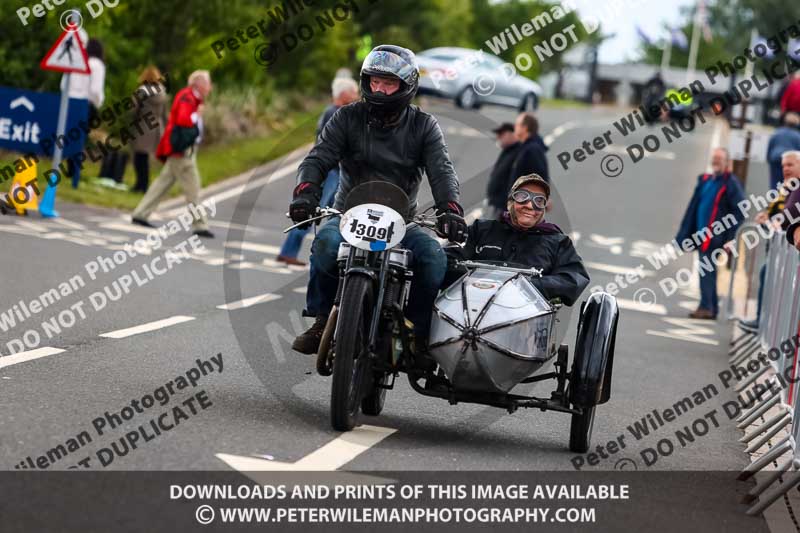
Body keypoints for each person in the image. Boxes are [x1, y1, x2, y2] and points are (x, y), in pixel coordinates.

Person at [288, 44, 466, 355]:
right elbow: (318, 158)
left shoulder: (424, 126)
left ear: (407, 85)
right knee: (325, 245)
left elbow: (442, 170)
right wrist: (306, 191)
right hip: (347, 214)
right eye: (375, 81)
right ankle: (320, 320)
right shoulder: (347, 117)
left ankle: (414, 331)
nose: (380, 90)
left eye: (389, 83)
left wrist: (450, 209)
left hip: (403, 221)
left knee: (433, 259)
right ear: (366, 81)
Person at [445, 174, 589, 305]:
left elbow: (574, 279)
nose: (529, 205)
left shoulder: (557, 242)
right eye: (522, 196)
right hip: (473, 305)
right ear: (510, 203)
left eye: (539, 200)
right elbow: (450, 260)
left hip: (525, 318)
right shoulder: (481, 229)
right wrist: (476, 282)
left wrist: (528, 286)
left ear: (543, 209)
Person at [276, 76, 360, 265]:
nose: (357, 95)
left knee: (335, 215)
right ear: (344, 93)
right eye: (354, 91)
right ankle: (289, 252)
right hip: (329, 172)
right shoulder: (335, 113)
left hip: (336, 172)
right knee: (311, 212)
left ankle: (333, 256)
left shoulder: (336, 112)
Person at [131, 70, 214, 238]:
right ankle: (200, 225)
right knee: (193, 188)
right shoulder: (187, 97)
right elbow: (183, 119)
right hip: (182, 151)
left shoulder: (192, 97)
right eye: (207, 83)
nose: (209, 87)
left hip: (181, 150)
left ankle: (140, 213)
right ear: (198, 84)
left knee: (162, 184)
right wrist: (196, 116)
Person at [675, 148, 746, 320]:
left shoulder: (730, 183)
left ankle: (707, 306)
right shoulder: (707, 180)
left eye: (720, 159)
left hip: (714, 236)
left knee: (706, 270)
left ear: (727, 162)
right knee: (708, 270)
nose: (716, 161)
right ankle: (710, 306)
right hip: (701, 233)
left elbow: (740, 210)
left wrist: (730, 237)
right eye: (714, 158)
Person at [741, 151, 800, 331]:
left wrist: (771, 222)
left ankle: (767, 326)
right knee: (768, 277)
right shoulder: (786, 187)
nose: (785, 169)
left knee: (776, 283)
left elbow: (787, 216)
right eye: (783, 166)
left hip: (788, 251)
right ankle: (766, 325)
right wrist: (766, 217)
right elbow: (777, 212)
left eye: (790, 165)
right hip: (779, 247)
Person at [61, 35, 105, 189]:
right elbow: (95, 90)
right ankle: (74, 174)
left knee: (70, 137)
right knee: (79, 139)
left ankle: (69, 171)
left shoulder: (77, 61)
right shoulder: (96, 65)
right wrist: (97, 103)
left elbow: (64, 84)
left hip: (70, 102)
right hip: (86, 104)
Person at [131, 66, 168, 193]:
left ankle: (140, 185)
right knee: (145, 158)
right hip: (157, 127)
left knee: (138, 158)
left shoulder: (141, 91)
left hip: (143, 127)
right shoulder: (162, 91)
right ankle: (144, 184)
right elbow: (164, 114)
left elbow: (133, 110)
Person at [485, 123, 521, 221]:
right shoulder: (508, 151)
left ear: (511, 134)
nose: (498, 137)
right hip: (498, 204)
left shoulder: (520, 153)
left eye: (501, 134)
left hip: (505, 207)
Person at [511, 112, 549, 183]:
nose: (514, 127)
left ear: (524, 128)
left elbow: (538, 181)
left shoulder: (532, 151)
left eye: (517, 125)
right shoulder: (524, 147)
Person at [766, 113, 800, 191]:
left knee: (774, 183)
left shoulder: (777, 132)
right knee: (789, 183)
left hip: (775, 158)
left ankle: (774, 200)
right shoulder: (797, 135)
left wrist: (768, 158)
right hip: (790, 161)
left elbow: (770, 146)